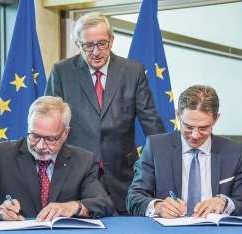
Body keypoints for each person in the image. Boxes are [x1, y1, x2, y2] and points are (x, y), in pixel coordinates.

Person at [45, 12, 165, 214]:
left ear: (112, 40)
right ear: (77, 44)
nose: (96, 51)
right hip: (76, 176)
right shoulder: (62, 72)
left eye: (102, 44)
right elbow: (49, 121)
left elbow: (151, 123)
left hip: (123, 176)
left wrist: (165, 166)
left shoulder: (133, 71)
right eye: (88, 45)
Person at [0, 96, 114, 220]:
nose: (40, 146)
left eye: (50, 139)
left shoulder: (83, 160)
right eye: (34, 136)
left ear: (65, 134)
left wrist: (74, 207)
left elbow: (104, 203)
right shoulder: (2, 155)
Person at [127, 85, 242, 218]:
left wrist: (225, 203)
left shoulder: (233, 152)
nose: (195, 135)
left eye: (203, 128)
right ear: (178, 115)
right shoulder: (156, 147)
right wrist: (158, 206)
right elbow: (134, 198)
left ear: (216, 119)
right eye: (188, 127)